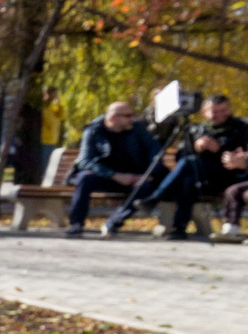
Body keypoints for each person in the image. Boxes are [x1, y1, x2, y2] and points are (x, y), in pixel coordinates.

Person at [105, 93, 248, 238]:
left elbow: (241, 155)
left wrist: (219, 150)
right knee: (188, 180)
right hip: (203, 176)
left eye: (224, 110)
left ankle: (156, 198)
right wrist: (196, 147)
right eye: (215, 111)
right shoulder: (197, 129)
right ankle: (178, 229)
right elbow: (180, 156)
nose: (221, 115)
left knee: (189, 164)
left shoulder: (241, 128)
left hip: (229, 176)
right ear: (204, 112)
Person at [63, 100, 157, 236]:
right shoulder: (93, 130)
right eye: (128, 116)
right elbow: (85, 161)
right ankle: (76, 225)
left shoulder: (139, 129)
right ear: (113, 117)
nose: (132, 119)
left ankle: (113, 222)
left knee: (146, 187)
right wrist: (114, 175)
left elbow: (156, 153)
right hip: (105, 176)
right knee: (84, 178)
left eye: (132, 115)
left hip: (133, 178)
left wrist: (147, 175)